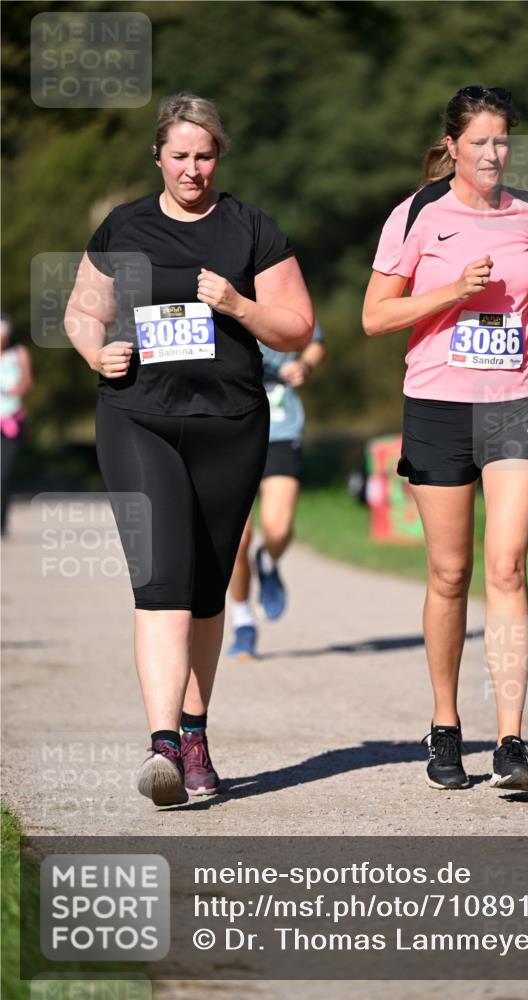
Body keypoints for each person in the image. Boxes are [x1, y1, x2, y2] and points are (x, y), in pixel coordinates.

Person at [65, 93, 313, 807]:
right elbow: (83, 310)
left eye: (204, 156)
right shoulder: (125, 226)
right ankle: (162, 743)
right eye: (179, 155)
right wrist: (93, 350)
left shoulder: (249, 229)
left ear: (218, 158)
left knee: (206, 589)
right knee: (163, 578)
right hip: (138, 416)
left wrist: (237, 306)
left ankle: (196, 730)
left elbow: (297, 327)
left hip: (229, 423)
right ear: (158, 158)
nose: (192, 169)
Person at [363, 86, 528, 792]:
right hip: (438, 405)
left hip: (517, 399)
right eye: (478, 141)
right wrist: (449, 293)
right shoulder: (417, 213)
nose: (491, 154)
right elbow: (373, 317)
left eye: (501, 141)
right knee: (449, 574)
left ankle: (511, 741)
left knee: (507, 566)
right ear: (451, 145)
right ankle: (446, 724)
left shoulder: (527, 212)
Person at [226, 320, 326, 659]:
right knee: (236, 541)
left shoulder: (279, 291)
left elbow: (316, 340)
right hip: (228, 435)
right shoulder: (210, 293)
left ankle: (268, 561)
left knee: (278, 528)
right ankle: (243, 623)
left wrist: (304, 365)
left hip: (280, 432)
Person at [1, 315, 33, 536]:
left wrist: (16, 389)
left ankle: (1, 522)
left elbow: (28, 382)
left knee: (4, 474)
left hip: (11, 420)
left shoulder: (19, 353)